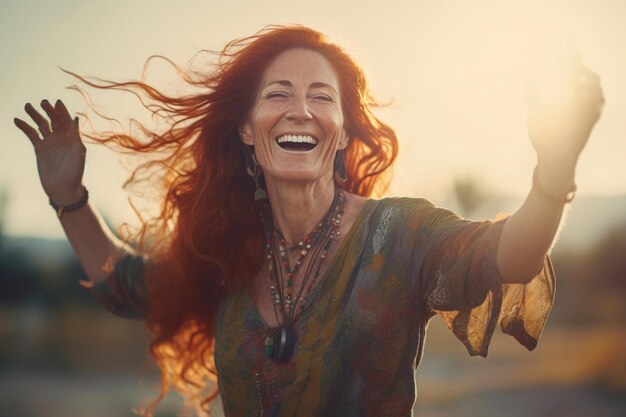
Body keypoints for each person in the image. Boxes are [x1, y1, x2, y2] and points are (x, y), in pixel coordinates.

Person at [14, 25, 603, 417]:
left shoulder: (398, 236)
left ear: (342, 130)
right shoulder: (226, 253)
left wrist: (554, 169)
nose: (300, 109)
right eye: (278, 94)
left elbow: (509, 255)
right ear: (247, 130)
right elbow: (125, 285)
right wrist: (70, 197)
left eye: (322, 96)